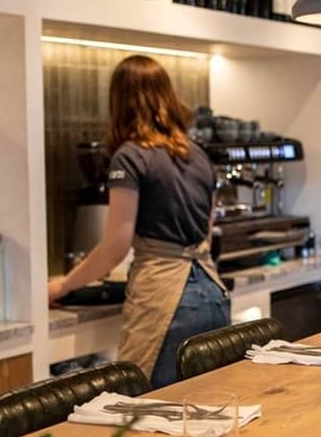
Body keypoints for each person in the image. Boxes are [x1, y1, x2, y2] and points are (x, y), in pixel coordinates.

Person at [48, 55, 230, 387]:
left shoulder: (130, 156)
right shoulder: (198, 155)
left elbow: (115, 247)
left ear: (120, 101)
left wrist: (63, 285)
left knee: (152, 407)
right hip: (212, 293)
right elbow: (205, 233)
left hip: (165, 300)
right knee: (207, 405)